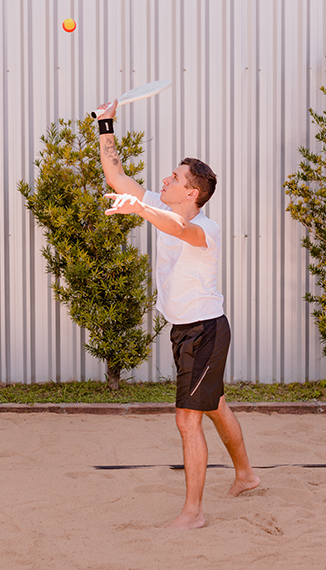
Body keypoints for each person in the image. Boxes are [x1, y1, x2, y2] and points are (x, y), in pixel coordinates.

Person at [94, 98, 261, 530]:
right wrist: (105, 123)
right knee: (215, 406)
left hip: (205, 332)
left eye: (175, 177)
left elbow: (179, 230)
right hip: (185, 331)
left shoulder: (206, 228)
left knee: (188, 419)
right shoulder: (158, 204)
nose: (165, 178)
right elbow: (115, 173)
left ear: (191, 192)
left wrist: (142, 210)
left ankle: (194, 514)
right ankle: (245, 475)